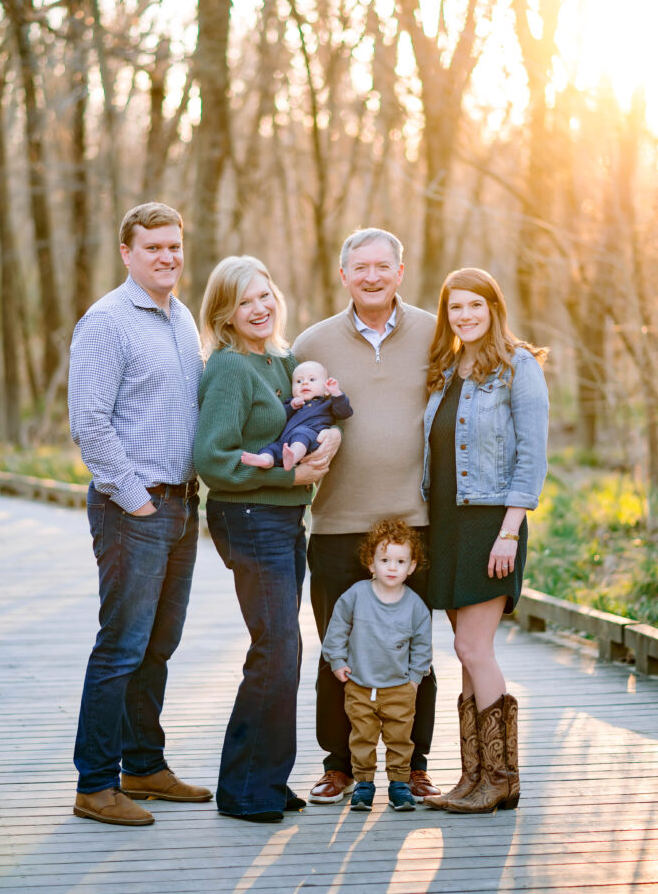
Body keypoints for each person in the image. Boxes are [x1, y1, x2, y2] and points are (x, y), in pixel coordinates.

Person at [69, 202, 211, 827]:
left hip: (182, 504)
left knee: (158, 645)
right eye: (153, 247)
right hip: (135, 507)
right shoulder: (106, 322)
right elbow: (89, 424)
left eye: (174, 246)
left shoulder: (181, 317)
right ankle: (95, 785)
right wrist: (137, 499)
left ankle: (143, 768)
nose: (167, 257)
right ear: (127, 253)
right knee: (120, 647)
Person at [293, 227, 440, 804]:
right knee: (338, 649)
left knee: (415, 653)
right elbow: (288, 419)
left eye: (383, 266)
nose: (373, 276)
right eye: (361, 267)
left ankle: (416, 765)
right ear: (343, 274)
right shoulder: (313, 342)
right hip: (337, 524)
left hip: (415, 522)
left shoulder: (435, 331)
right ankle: (338, 766)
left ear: (400, 272)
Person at [193, 255, 340, 823]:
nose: (259, 308)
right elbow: (211, 458)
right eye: (243, 301)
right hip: (248, 515)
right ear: (225, 314)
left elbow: (314, 416)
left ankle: (267, 781)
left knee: (285, 649)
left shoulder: (284, 361)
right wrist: (286, 476)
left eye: (264, 295)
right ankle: (245, 789)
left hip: (282, 518)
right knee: (276, 648)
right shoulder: (230, 368)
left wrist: (327, 441)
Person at [421, 267, 548, 814]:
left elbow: (531, 458)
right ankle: (473, 778)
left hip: (492, 523)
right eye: (455, 308)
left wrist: (508, 534)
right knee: (463, 649)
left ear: (494, 308)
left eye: (475, 306)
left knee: (475, 646)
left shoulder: (520, 367)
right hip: (447, 523)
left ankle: (500, 777)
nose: (465, 316)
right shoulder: (448, 368)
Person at [322, 519, 432, 813]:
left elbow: (422, 645)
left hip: (399, 687)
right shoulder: (356, 595)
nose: (392, 567)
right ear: (371, 564)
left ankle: (398, 785)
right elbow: (337, 629)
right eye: (385, 560)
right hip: (360, 684)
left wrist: (414, 678)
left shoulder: (415, 605)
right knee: (362, 736)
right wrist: (337, 661)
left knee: (400, 739)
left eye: (400, 561)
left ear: (411, 567)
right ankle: (364, 784)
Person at [241, 360, 353, 471]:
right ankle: (265, 460)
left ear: (326, 390)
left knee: (301, 436)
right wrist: (291, 407)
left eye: (312, 379)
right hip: (285, 440)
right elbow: (279, 417)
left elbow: (344, 413)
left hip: (310, 437)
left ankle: (292, 458)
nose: (304, 383)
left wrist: (336, 393)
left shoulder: (327, 403)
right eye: (299, 381)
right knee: (271, 448)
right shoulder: (292, 402)